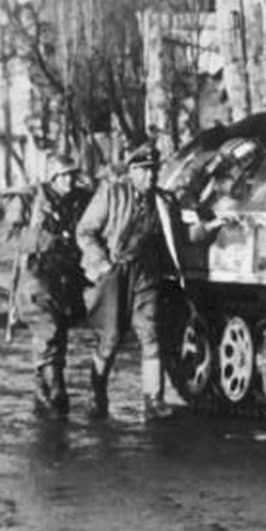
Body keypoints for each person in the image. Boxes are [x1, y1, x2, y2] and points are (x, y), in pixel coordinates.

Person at [76, 140, 173, 423]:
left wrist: (208, 229)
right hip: (115, 271)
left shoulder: (164, 202)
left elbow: (178, 235)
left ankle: (153, 401)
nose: (150, 176)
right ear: (131, 171)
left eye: (154, 170)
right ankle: (96, 391)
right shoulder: (112, 194)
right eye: (143, 170)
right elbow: (85, 231)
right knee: (111, 337)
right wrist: (103, 264)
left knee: (151, 334)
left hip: (147, 273)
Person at [3, 154, 91, 417]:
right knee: (48, 328)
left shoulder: (79, 199)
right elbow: (9, 235)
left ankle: (44, 383)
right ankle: (54, 388)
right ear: (52, 178)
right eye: (64, 176)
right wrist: (44, 240)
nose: (70, 181)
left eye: (73, 175)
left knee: (59, 331)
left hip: (66, 275)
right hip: (36, 274)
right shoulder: (29, 199)